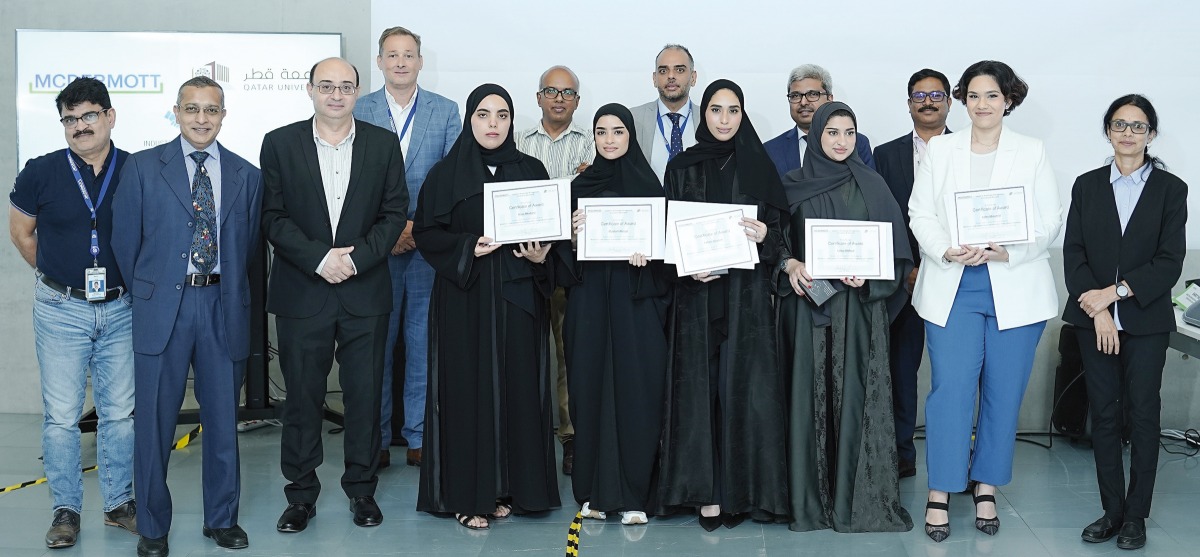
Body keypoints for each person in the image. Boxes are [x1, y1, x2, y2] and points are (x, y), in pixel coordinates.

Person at [908, 60, 1062, 542]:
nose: (982, 104)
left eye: (992, 95)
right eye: (973, 95)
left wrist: (1008, 250)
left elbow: (1048, 219)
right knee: (950, 389)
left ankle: (987, 484)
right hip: (954, 282)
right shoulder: (941, 149)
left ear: (1008, 100)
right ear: (962, 100)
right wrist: (944, 248)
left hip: (1013, 284)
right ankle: (941, 489)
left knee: (1003, 391)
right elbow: (920, 211)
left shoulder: (1031, 151)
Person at [111, 76, 262, 557]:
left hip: (221, 306)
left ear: (223, 115)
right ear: (176, 112)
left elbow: (252, 249)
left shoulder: (246, 175)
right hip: (163, 311)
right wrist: (150, 295)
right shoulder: (140, 168)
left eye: (211, 110)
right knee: (154, 423)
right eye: (192, 109)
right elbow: (124, 244)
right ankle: (152, 526)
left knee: (222, 422)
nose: (202, 119)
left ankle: (222, 519)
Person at [261, 57, 408, 533]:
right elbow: (272, 217)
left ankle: (362, 491)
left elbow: (394, 213)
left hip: (365, 292)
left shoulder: (383, 145)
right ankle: (300, 496)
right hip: (303, 290)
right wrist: (322, 259)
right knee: (302, 399)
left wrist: (356, 259)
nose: (336, 94)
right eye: (326, 85)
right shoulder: (280, 144)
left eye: (346, 86)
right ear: (309, 90)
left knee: (365, 397)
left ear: (358, 91)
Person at [414, 84, 560, 530]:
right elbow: (426, 234)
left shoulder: (532, 170)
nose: (492, 124)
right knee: (467, 392)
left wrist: (541, 257)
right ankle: (466, 495)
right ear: (469, 120)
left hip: (518, 299)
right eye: (483, 115)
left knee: (517, 390)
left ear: (512, 121)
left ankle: (510, 490)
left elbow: (552, 240)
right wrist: (466, 247)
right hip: (466, 299)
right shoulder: (445, 174)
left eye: (501, 115)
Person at [8, 76, 137, 550]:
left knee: (120, 414)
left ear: (109, 116)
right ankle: (66, 510)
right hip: (61, 308)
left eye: (88, 116)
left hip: (122, 307)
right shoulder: (40, 171)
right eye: (70, 119)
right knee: (62, 417)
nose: (79, 126)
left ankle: (119, 503)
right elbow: (23, 234)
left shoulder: (137, 168)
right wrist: (60, 279)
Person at [657, 79, 790, 530]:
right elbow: (666, 235)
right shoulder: (681, 165)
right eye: (716, 109)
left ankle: (746, 492)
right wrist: (684, 266)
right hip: (696, 297)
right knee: (699, 393)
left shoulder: (759, 165)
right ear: (704, 114)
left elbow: (780, 235)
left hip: (745, 299)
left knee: (745, 391)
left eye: (733, 110)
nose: (724, 118)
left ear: (743, 115)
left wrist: (765, 236)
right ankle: (706, 493)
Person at [778, 102, 914, 533]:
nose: (841, 141)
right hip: (809, 309)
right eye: (832, 132)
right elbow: (776, 242)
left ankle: (855, 502)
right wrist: (790, 264)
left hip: (858, 311)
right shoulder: (791, 185)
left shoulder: (873, 185)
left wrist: (870, 276)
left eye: (849, 133)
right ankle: (810, 503)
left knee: (856, 395)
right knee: (809, 398)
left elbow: (895, 254)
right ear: (816, 134)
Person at [1064, 95, 1186, 551]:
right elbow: (1073, 253)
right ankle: (1111, 511)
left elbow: (1169, 262)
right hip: (1092, 322)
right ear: (1108, 131)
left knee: (1143, 414)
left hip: (1146, 321)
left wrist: (1113, 296)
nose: (1128, 133)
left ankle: (1137, 515)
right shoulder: (1087, 185)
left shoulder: (1171, 190)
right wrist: (1097, 311)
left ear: (1151, 134)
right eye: (1120, 124)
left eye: (1138, 126)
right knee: (1106, 415)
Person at [353, 25, 461, 469]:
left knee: (422, 343)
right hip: (375, 246)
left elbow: (454, 177)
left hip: (427, 245)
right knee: (376, 343)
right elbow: (352, 181)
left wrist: (417, 227)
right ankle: (375, 438)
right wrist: (388, 230)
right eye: (392, 55)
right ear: (379, 62)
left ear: (420, 62)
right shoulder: (358, 109)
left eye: (409, 55)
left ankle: (417, 435)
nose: (400, 62)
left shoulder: (446, 110)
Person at [555, 103, 667, 526]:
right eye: (601, 132)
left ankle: (636, 493)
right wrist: (570, 232)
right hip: (588, 307)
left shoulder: (650, 187)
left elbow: (668, 260)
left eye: (618, 131)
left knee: (636, 392)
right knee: (589, 389)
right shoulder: (579, 188)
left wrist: (648, 257)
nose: (609, 139)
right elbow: (560, 260)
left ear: (630, 136)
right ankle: (595, 491)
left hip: (636, 306)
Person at [872, 68, 953, 479]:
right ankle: (901, 454)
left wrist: (937, 262)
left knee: (954, 377)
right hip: (902, 284)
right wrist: (907, 267)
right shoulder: (884, 155)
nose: (928, 101)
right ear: (908, 104)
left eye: (936, 94)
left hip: (957, 280)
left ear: (949, 102)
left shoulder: (970, 148)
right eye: (919, 95)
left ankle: (955, 457)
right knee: (900, 373)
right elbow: (880, 218)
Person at [515, 65, 596, 475]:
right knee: (524, 352)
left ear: (577, 101)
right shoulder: (518, 143)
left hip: (569, 264)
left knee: (567, 352)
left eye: (567, 92)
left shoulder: (593, 145)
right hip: (524, 262)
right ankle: (526, 437)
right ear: (539, 98)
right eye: (551, 90)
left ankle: (569, 436)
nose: (559, 98)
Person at [763, 64, 875, 177]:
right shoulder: (771, 150)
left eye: (812, 94)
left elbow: (870, 189)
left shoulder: (857, 143)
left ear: (829, 99)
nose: (803, 102)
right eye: (795, 95)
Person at [630, 44, 701, 181]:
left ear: (693, 77)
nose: (671, 76)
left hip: (696, 202)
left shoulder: (709, 119)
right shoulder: (632, 119)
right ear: (654, 79)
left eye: (679, 70)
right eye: (663, 71)